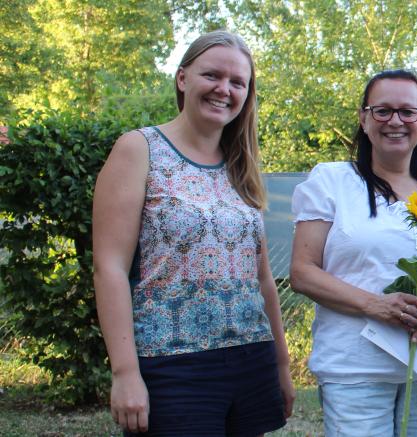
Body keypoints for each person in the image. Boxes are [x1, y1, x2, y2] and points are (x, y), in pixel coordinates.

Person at [92, 30, 294, 435]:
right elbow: (109, 267)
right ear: (183, 78)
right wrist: (125, 372)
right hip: (172, 364)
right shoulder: (139, 148)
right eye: (213, 76)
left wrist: (282, 365)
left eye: (238, 82)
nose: (225, 89)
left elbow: (263, 280)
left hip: (250, 360)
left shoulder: (242, 165)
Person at [289, 69, 417, 436]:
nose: (396, 121)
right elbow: (303, 271)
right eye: (382, 111)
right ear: (363, 118)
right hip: (355, 370)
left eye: (408, 112)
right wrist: (375, 305)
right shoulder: (332, 182)